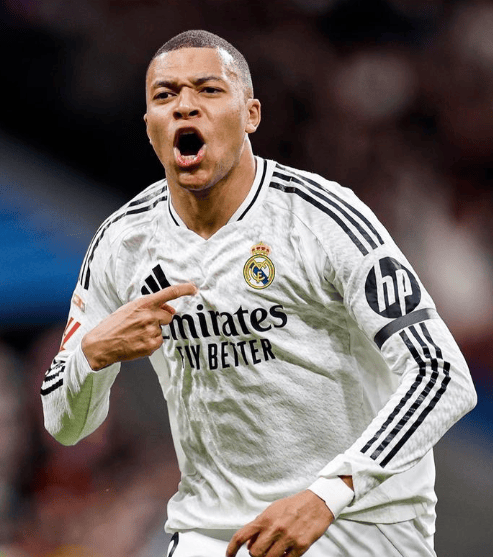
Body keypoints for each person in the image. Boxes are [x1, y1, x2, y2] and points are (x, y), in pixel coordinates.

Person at [41, 30, 477, 557]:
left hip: (356, 522)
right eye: (165, 95)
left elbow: (442, 374)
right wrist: (91, 355)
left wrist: (329, 492)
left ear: (251, 115)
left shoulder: (322, 218)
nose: (185, 107)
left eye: (208, 90)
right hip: (213, 532)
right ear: (149, 125)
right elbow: (64, 426)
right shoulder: (123, 242)